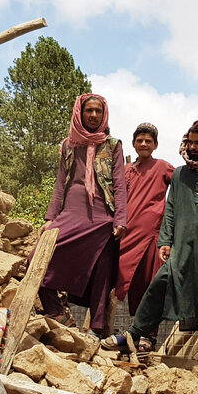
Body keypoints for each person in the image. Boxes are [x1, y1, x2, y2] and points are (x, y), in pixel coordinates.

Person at [102, 119, 198, 365]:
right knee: (160, 284)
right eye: (190, 142)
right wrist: (165, 239)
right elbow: (171, 207)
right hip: (183, 242)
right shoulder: (180, 173)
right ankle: (134, 334)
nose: (193, 147)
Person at [38, 94, 127, 335]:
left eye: (98, 111)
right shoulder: (69, 145)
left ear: (104, 114)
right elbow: (60, 184)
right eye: (89, 110)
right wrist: (50, 218)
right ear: (80, 112)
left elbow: (119, 184)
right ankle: (56, 311)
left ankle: (96, 328)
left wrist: (120, 219)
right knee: (38, 258)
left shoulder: (113, 145)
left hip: (102, 217)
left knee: (101, 271)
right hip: (72, 212)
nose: (94, 115)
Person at [116, 123, 174, 319]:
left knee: (150, 283)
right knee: (127, 280)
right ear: (133, 144)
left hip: (151, 235)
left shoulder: (162, 167)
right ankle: (128, 328)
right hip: (126, 234)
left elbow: (183, 184)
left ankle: (147, 336)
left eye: (148, 141)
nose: (143, 144)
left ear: (155, 145)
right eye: (139, 140)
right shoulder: (125, 169)